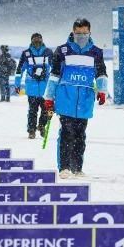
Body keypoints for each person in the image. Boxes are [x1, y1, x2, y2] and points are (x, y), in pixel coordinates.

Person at [43, 18, 108, 179]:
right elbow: (54, 75)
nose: (81, 36)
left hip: (85, 100)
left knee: (80, 135)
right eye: (78, 33)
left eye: (85, 33)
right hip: (65, 98)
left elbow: (101, 73)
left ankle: (77, 168)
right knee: (66, 133)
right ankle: (64, 167)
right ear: (73, 32)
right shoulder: (62, 50)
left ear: (90, 32)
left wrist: (102, 91)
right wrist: (49, 98)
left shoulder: (96, 52)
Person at [15, 33, 53, 139]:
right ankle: (31, 130)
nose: (37, 41)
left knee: (47, 110)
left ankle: (41, 126)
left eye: (38, 39)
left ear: (42, 40)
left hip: (46, 88)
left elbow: (55, 69)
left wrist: (56, 84)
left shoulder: (48, 52)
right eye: (35, 39)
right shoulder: (26, 54)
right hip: (32, 88)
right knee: (32, 111)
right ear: (31, 40)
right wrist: (17, 84)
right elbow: (19, 70)